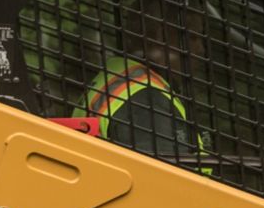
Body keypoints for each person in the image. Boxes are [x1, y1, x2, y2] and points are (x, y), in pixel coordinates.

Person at [81, 52, 212, 174]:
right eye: (194, 37)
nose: (201, 49)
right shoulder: (146, 99)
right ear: (162, 35)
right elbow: (164, 178)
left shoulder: (121, 80)